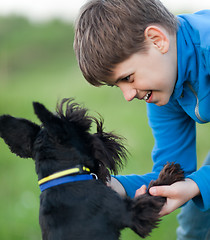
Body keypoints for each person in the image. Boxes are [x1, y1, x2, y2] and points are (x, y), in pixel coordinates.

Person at [74, 0, 210, 239]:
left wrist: (197, 185)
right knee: (194, 220)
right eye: (117, 85)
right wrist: (112, 187)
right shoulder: (164, 87)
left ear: (157, 40)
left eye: (128, 77)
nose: (128, 95)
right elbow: (175, 170)